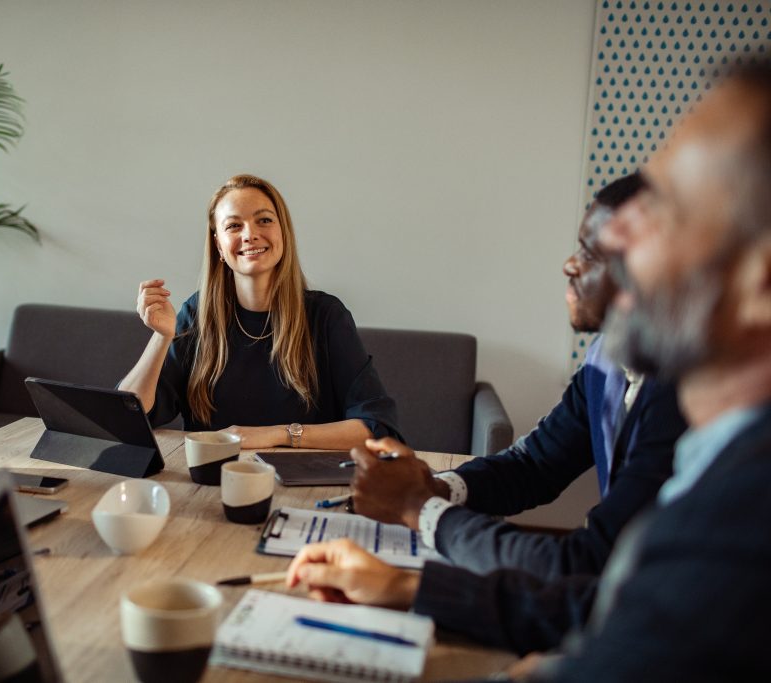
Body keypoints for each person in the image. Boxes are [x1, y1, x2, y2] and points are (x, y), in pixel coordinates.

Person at [289, 66, 771, 681]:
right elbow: (602, 600)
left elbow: (601, 594)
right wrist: (413, 583)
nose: (620, 234)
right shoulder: (702, 446)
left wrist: (421, 507)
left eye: (669, 205)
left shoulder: (741, 516)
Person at [353, 174, 686, 583]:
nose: (569, 265)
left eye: (589, 252)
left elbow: (584, 565)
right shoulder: (606, 357)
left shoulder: (683, 399)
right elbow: (534, 465)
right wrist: (436, 487)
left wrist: (420, 509)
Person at [119, 174, 400, 449]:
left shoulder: (325, 316)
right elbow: (131, 417)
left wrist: (277, 435)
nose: (250, 235)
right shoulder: (196, 313)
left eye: (264, 220)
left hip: (303, 476)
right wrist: (162, 337)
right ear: (218, 245)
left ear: (283, 232)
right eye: (234, 226)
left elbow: (375, 427)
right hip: (213, 475)